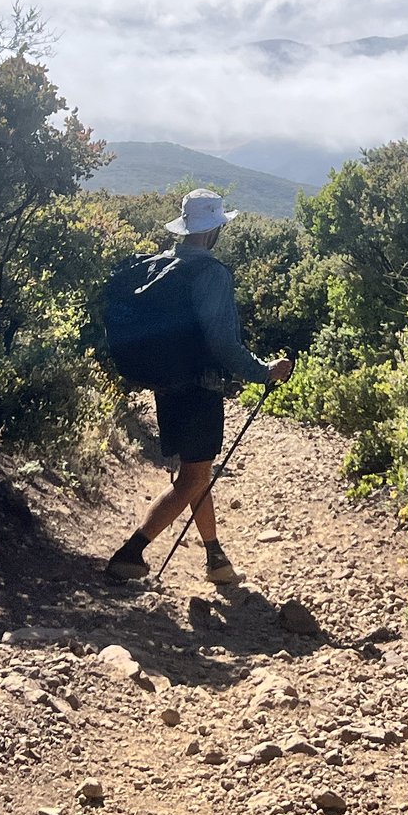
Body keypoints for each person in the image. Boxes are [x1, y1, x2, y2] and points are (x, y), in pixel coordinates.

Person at [105, 188, 292, 585]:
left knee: (196, 471)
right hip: (198, 390)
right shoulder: (211, 273)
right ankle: (130, 553)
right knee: (192, 478)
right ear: (212, 230)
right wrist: (263, 371)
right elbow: (222, 341)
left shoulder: (161, 265)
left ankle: (215, 558)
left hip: (166, 385)